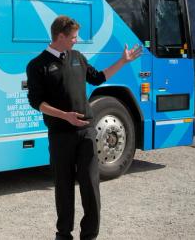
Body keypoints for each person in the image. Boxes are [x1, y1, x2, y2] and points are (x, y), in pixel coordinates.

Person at [26, 16, 142, 240]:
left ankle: (89, 235)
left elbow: (97, 78)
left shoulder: (78, 57)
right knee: (64, 186)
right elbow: (36, 102)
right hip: (61, 135)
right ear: (60, 36)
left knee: (91, 184)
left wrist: (123, 61)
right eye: (73, 37)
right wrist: (65, 116)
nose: (76, 41)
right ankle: (64, 234)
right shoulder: (37, 65)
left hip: (87, 133)